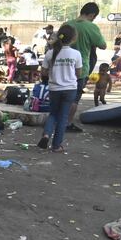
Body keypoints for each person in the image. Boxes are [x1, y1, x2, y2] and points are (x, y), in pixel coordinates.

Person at [37, 24, 82, 152]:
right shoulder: (76, 54)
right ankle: (56, 146)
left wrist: (54, 72)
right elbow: (78, 74)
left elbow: (43, 72)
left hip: (54, 89)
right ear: (73, 38)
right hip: (70, 89)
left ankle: (46, 134)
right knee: (63, 117)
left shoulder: (50, 53)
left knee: (53, 114)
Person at [64, 2, 106, 132]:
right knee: (74, 97)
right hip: (81, 67)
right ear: (92, 15)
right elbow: (102, 45)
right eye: (94, 17)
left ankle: (57, 120)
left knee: (61, 95)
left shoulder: (67, 24)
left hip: (62, 66)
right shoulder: (91, 27)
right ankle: (67, 123)